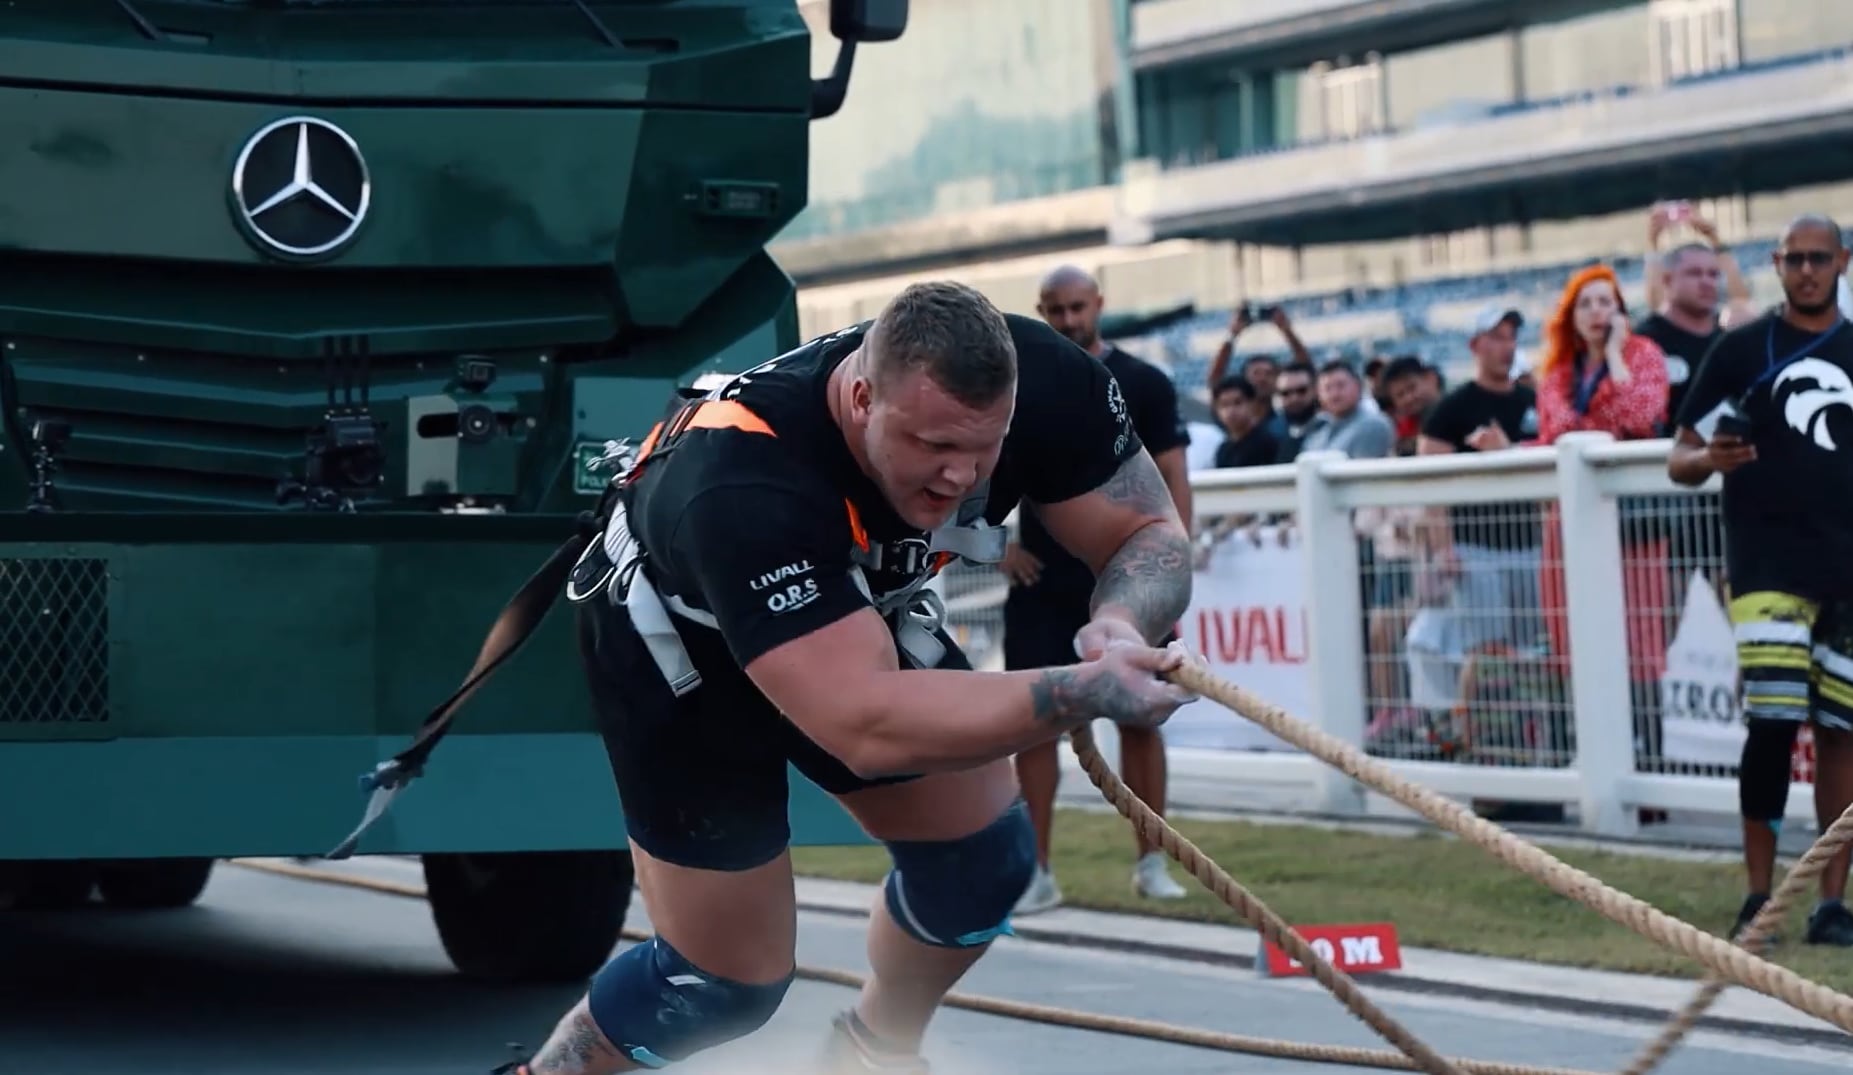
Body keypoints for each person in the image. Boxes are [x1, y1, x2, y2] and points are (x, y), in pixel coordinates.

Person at [499, 281, 1201, 1075]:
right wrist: (1082, 690)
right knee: (721, 984)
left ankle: (870, 1053)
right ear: (862, 398)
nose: (960, 476)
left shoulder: (1045, 378)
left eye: (986, 446)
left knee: (982, 862)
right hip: (683, 649)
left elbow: (1148, 531)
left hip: (854, 599)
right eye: (932, 445)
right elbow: (866, 725)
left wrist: (1120, 624)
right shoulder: (739, 480)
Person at [1667, 213, 1853, 948]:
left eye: (1819, 258)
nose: (1806, 270)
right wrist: (1707, 460)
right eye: (1793, 258)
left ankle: (1831, 905)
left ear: (1842, 261)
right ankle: (1757, 897)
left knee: (1841, 732)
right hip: (1766, 567)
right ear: (1776, 263)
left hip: (1847, 571)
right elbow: (1679, 458)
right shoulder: (1740, 350)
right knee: (1772, 724)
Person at [1002, 265, 1193, 914]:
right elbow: (980, 468)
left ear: (1099, 304)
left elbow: (1172, 473)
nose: (1068, 320)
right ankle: (1036, 869)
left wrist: (1172, 563)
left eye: (1077, 307)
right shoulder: (1020, 383)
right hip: (1042, 578)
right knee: (1033, 723)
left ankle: (1151, 859)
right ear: (1041, 311)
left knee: (1140, 713)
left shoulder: (1144, 382)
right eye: (1055, 310)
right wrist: (997, 546)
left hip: (1127, 577)